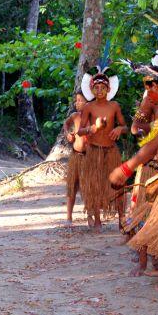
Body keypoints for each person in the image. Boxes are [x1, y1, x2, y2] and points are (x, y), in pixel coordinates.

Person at [109, 64, 158, 279]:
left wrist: (125, 168)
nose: (148, 96)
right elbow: (137, 128)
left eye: (149, 89)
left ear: (155, 86)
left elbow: (152, 145)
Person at [77, 59, 128, 232]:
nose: (99, 90)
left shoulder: (114, 106)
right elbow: (80, 131)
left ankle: (122, 218)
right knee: (95, 185)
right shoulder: (89, 107)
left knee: (118, 184)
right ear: (91, 89)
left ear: (108, 89)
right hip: (94, 151)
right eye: (96, 88)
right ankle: (97, 220)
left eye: (103, 87)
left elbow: (126, 126)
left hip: (111, 151)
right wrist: (91, 128)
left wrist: (120, 129)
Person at [63, 91, 87, 224]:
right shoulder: (74, 116)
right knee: (72, 186)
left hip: (89, 157)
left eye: (80, 100)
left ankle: (91, 216)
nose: (76, 103)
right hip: (75, 155)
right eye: (76, 100)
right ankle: (69, 217)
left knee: (89, 187)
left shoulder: (93, 117)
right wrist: (68, 133)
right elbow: (66, 124)